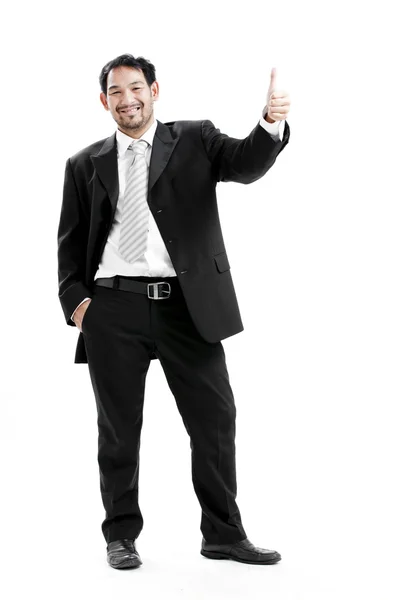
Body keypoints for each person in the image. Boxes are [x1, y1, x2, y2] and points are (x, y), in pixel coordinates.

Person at [57, 53, 291, 570]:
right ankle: (120, 536)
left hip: (187, 307)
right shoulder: (84, 163)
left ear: (155, 90)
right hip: (113, 307)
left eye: (135, 88)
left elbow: (245, 163)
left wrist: (270, 125)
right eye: (115, 92)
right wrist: (80, 308)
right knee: (118, 428)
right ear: (104, 101)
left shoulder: (194, 139)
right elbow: (69, 251)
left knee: (215, 419)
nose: (127, 100)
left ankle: (223, 535)